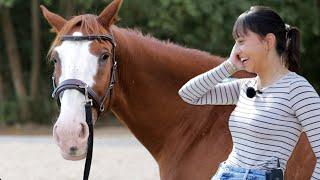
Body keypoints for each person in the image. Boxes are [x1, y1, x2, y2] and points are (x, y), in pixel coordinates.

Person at [178, 6, 320, 180]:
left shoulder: (298, 90)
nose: (236, 50)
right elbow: (188, 94)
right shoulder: (244, 87)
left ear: (268, 42)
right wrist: (229, 65)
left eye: (241, 41)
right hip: (225, 173)